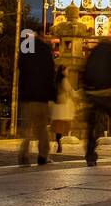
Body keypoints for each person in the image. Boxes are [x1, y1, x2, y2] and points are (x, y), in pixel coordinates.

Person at [81, 36, 111, 166]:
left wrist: (86, 90)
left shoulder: (94, 52)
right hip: (108, 92)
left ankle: (90, 154)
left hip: (91, 93)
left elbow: (84, 70)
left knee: (92, 125)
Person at [16, 31, 56, 166]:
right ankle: (43, 156)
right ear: (42, 36)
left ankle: (23, 156)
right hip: (42, 96)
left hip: (27, 95)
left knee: (26, 128)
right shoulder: (46, 50)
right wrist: (52, 95)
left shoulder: (26, 48)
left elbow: (20, 66)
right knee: (41, 128)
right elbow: (51, 74)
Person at [50, 65, 75, 153]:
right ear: (62, 71)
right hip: (63, 107)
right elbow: (70, 91)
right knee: (64, 126)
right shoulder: (64, 80)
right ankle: (59, 144)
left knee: (58, 128)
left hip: (57, 107)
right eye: (67, 70)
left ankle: (59, 143)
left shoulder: (56, 81)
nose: (68, 72)